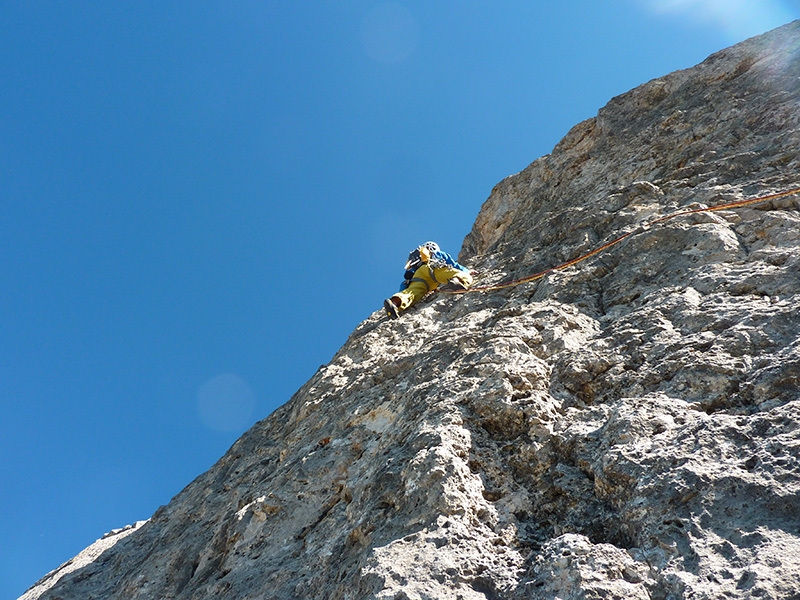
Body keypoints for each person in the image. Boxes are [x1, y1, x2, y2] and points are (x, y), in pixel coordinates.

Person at [383, 241, 473, 319]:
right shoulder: (437, 253)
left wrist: (402, 292)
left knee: (411, 292)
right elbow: (454, 265)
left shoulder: (416, 260)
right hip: (435, 267)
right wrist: (467, 271)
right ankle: (457, 281)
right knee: (461, 275)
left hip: (419, 275)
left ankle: (395, 303)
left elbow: (405, 283)